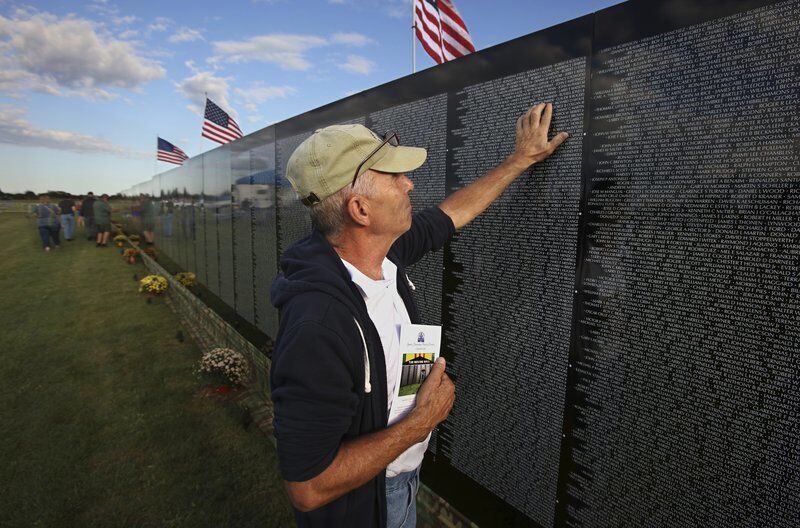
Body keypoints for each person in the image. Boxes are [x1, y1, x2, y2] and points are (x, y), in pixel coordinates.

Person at [269, 102, 568, 528]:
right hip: (367, 508)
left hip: (401, 481)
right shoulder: (318, 326)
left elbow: (451, 214)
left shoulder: (382, 254)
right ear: (360, 211)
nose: (409, 184)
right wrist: (421, 423)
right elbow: (308, 487)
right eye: (394, 177)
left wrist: (519, 160)